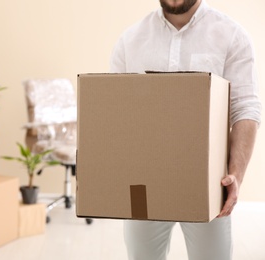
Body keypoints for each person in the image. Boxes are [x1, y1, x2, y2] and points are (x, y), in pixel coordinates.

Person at [109, 0, 262, 259]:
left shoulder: (231, 35)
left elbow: (245, 108)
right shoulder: (131, 39)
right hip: (143, 181)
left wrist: (235, 175)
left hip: (209, 184)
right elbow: (115, 110)